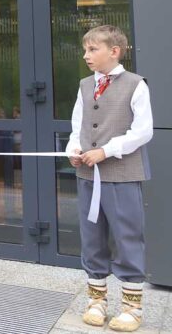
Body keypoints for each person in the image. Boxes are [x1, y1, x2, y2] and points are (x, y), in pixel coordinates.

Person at [66, 25, 152, 332]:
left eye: (92, 49)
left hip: (121, 174)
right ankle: (96, 300)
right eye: (85, 49)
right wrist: (74, 149)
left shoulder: (135, 84)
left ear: (114, 51)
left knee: (127, 235)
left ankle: (132, 307)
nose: (86, 55)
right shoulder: (85, 85)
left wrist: (107, 150)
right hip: (88, 174)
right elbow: (77, 125)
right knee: (92, 236)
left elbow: (143, 131)